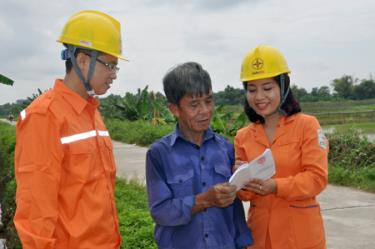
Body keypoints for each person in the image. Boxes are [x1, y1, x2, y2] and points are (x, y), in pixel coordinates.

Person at [13, 10, 125, 248]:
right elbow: (36, 211)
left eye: (116, 67)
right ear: (83, 60)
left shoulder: (93, 114)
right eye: (109, 65)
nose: (114, 75)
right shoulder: (44, 117)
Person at [146, 62, 253, 249]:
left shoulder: (225, 148)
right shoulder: (159, 154)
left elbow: (234, 209)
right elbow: (161, 211)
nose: (205, 111)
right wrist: (204, 200)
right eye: (194, 104)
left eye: (209, 101)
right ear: (174, 109)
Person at [234, 45, 329, 249]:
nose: (259, 96)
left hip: (301, 236)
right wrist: (240, 178)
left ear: (283, 86)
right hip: (260, 237)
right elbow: (245, 196)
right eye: (252, 89)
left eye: (267, 88)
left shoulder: (307, 126)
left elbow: (316, 178)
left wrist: (276, 186)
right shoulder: (243, 137)